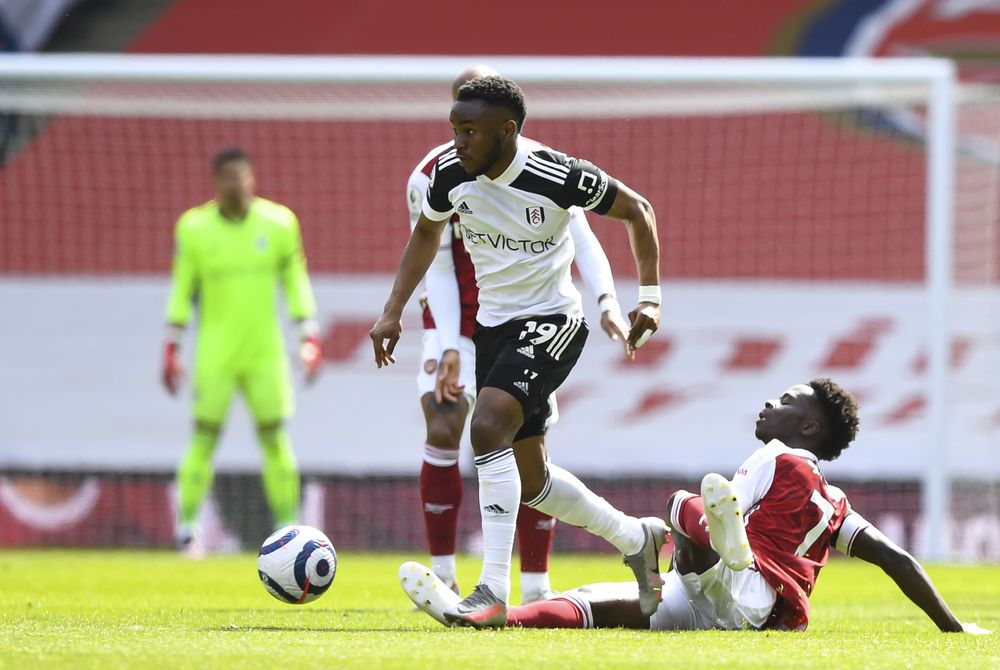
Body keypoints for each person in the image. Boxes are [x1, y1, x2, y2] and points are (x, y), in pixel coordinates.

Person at [371, 75, 664, 628]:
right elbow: (425, 237)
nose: (457, 143)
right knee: (533, 483)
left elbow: (638, 211)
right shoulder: (448, 176)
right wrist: (392, 311)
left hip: (554, 321)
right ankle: (637, 537)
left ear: (507, 131)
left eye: (470, 132)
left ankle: (490, 591)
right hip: (494, 330)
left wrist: (646, 300)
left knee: (485, 429)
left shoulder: (555, 173)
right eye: (455, 130)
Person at [400, 378, 990, 635]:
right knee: (582, 605)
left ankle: (714, 547)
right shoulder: (836, 506)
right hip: (737, 612)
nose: (769, 401)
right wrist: (951, 624)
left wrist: (699, 530)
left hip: (741, 587)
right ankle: (480, 619)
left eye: (785, 399)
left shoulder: (781, 457)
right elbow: (895, 558)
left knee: (683, 501)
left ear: (808, 425)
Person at [162, 147, 323, 556]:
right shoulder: (194, 228)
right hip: (215, 353)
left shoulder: (280, 223)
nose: (237, 185)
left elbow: (296, 282)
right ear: (216, 183)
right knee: (203, 438)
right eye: (228, 178)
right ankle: (187, 531)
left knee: (275, 438)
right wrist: (172, 344)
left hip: (263, 353)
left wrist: (309, 335)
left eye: (242, 176)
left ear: (252, 178)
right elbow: (182, 288)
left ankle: (287, 526)